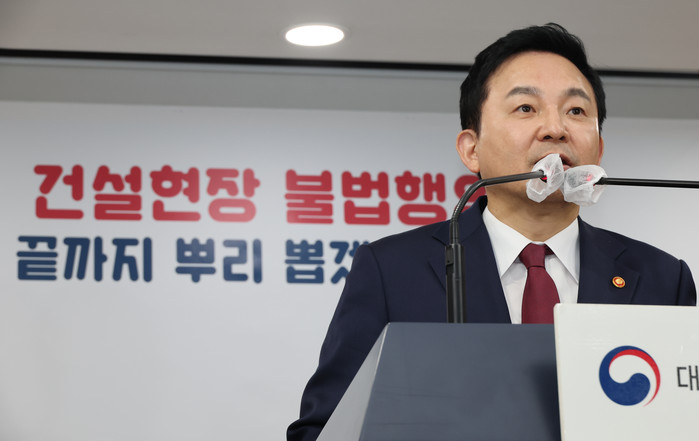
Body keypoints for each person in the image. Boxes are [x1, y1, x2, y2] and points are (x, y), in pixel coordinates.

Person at [287, 23, 697, 441]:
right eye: (526, 108)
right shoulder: (392, 271)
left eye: (576, 111)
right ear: (472, 149)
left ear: (599, 150)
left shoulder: (663, 279)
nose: (555, 129)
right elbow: (323, 429)